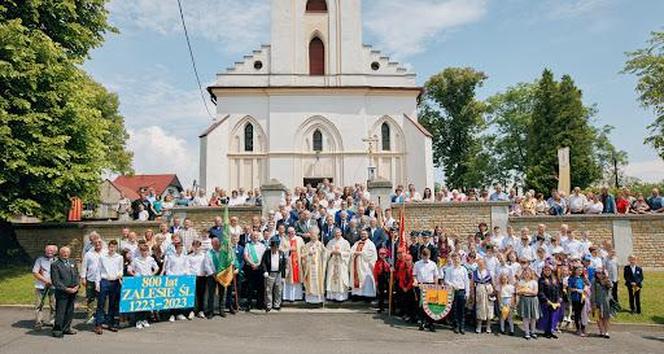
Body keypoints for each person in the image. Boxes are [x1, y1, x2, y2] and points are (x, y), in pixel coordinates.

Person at [128, 241, 159, 329]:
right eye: (143, 251)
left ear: (148, 251)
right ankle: (138, 321)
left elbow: (156, 268)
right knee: (139, 301)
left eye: (146, 251)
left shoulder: (151, 259)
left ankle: (145, 319)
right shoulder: (136, 259)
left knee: (146, 301)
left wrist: (152, 274)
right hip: (138, 282)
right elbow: (130, 269)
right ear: (140, 251)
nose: (144, 252)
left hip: (148, 282)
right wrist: (134, 274)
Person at [94, 240, 123, 334]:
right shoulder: (102, 257)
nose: (112, 249)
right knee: (101, 304)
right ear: (108, 247)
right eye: (111, 247)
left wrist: (120, 274)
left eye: (114, 247)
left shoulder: (119, 257)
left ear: (116, 248)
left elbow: (120, 269)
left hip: (115, 282)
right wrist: (97, 283)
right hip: (104, 281)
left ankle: (111, 323)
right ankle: (98, 325)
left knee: (113, 303)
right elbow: (98, 270)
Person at [50, 246, 80, 338]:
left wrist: (77, 285)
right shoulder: (55, 264)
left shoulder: (72, 262)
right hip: (62, 292)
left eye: (67, 252)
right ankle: (57, 330)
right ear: (60, 253)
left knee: (70, 311)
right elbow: (55, 281)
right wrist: (66, 289)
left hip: (73, 291)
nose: (66, 254)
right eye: (63, 252)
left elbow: (76, 274)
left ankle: (66, 328)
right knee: (61, 311)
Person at [162, 240, 191, 322]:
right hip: (173, 279)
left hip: (182, 279)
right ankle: (172, 314)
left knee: (180, 297)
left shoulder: (185, 257)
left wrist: (185, 275)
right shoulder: (171, 257)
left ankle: (179, 313)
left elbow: (187, 267)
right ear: (176, 248)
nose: (180, 249)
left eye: (182, 248)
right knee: (172, 297)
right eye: (179, 248)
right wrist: (172, 276)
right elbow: (167, 269)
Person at [32, 245, 57, 330]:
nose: (49, 251)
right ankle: (38, 322)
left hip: (54, 286)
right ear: (45, 251)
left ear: (55, 252)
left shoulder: (57, 260)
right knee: (39, 304)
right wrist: (46, 281)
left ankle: (53, 321)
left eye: (51, 250)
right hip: (41, 285)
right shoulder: (40, 260)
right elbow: (35, 272)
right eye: (48, 250)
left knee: (54, 304)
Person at [205, 237, 232, 318]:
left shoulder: (223, 253)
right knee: (211, 294)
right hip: (212, 276)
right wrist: (213, 274)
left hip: (222, 275)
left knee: (222, 293)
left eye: (218, 243)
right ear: (212, 244)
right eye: (215, 243)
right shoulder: (208, 253)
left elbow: (226, 263)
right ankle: (210, 311)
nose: (217, 245)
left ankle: (221, 310)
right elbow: (207, 265)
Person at [413, 248, 438, 332]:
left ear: (429, 256)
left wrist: (435, 285)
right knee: (422, 306)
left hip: (430, 285)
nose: (425, 258)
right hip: (421, 285)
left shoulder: (433, 264)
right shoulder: (417, 264)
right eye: (424, 256)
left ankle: (430, 323)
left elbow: (436, 276)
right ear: (421, 255)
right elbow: (414, 275)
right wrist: (416, 281)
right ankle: (422, 322)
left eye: (426, 256)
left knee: (430, 305)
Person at [444, 253, 469, 334]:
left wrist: (467, 293)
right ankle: (456, 326)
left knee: (461, 310)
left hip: (461, 291)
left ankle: (462, 326)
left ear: (460, 259)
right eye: (454, 259)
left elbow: (466, 281)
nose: (456, 260)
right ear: (452, 260)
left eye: (457, 258)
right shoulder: (449, 269)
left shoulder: (463, 269)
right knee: (454, 309)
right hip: (453, 291)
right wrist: (452, 285)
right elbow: (446, 280)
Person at [349, 230, 378, 299]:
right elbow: (351, 251)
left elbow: (371, 253)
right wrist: (354, 253)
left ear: (367, 235)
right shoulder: (357, 243)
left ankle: (367, 296)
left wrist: (361, 253)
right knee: (356, 279)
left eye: (364, 234)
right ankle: (357, 295)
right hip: (356, 264)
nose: (363, 235)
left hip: (366, 266)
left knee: (366, 280)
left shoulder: (370, 244)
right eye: (362, 234)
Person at [81, 238, 103, 325]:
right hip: (91, 279)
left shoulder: (105, 252)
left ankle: (101, 316)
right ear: (93, 244)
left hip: (102, 279)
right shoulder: (88, 254)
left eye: (99, 242)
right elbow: (84, 266)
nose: (97, 244)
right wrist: (83, 277)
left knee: (102, 298)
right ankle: (90, 316)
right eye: (96, 243)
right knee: (90, 298)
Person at [261, 237, 287, 312]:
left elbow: (283, 265)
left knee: (278, 289)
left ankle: (277, 304)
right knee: (268, 290)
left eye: (276, 248)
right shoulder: (267, 253)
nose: (274, 249)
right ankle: (268, 305)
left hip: (278, 273)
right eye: (273, 248)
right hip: (270, 273)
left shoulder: (281, 253)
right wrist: (265, 271)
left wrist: (283, 276)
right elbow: (263, 263)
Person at [325, 228, 351, 302]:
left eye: (338, 233)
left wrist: (340, 253)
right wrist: (331, 252)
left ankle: (341, 297)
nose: (337, 234)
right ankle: (332, 296)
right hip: (333, 263)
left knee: (341, 279)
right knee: (331, 278)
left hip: (341, 263)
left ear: (341, 233)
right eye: (336, 233)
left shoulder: (345, 242)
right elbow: (326, 252)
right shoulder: (330, 242)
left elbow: (348, 253)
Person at [302, 228, 327, 304]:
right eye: (312, 234)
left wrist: (324, 251)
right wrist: (308, 254)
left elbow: (326, 255)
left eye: (314, 235)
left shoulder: (320, 244)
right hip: (309, 267)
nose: (313, 236)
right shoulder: (307, 245)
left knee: (318, 282)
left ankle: (319, 299)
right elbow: (302, 256)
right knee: (310, 282)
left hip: (318, 267)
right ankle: (310, 299)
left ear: (317, 236)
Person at [243, 231, 267, 311]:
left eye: (256, 236)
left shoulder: (262, 245)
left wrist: (259, 265)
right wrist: (252, 264)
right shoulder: (248, 245)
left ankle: (259, 304)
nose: (255, 237)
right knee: (250, 287)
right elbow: (245, 256)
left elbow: (264, 257)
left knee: (260, 287)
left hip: (260, 269)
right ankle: (249, 304)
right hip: (251, 268)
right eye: (253, 236)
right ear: (251, 237)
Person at [537, 264, 562, 339]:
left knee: (553, 317)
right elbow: (540, 292)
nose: (547, 272)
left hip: (555, 301)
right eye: (546, 270)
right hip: (546, 302)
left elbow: (559, 290)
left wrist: (560, 298)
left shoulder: (555, 279)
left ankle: (551, 331)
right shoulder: (541, 280)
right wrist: (546, 300)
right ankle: (546, 332)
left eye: (549, 270)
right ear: (543, 271)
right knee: (546, 317)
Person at [282, 227, 305, 302]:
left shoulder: (299, 239)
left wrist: (303, 259)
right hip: (288, 264)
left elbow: (303, 250)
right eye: (289, 232)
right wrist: (289, 249)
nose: (291, 233)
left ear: (295, 231)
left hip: (297, 263)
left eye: (292, 231)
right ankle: (288, 297)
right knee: (289, 279)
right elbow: (281, 250)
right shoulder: (284, 239)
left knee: (297, 279)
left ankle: (297, 296)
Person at [517, 268, 540, 340]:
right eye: (525, 273)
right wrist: (526, 291)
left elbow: (535, 292)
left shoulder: (534, 282)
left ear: (531, 274)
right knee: (525, 317)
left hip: (533, 299)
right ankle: (527, 333)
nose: (526, 274)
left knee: (533, 317)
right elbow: (518, 291)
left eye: (528, 273)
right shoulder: (521, 282)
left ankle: (533, 332)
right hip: (524, 299)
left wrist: (526, 290)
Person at [472, 259, 494, 334]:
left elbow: (493, 282)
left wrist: (493, 292)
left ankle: (488, 326)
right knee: (480, 308)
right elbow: (472, 283)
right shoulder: (475, 272)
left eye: (482, 263)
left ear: (484, 264)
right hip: (479, 290)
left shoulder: (489, 272)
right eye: (479, 264)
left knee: (489, 308)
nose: (481, 265)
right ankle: (479, 326)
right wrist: (472, 293)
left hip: (488, 289)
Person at [188, 240, 209, 318]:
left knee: (201, 295)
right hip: (192, 277)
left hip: (202, 277)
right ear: (192, 247)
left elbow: (207, 266)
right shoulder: (189, 256)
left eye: (198, 246)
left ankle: (201, 311)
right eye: (195, 246)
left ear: (200, 247)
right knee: (193, 296)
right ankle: (192, 311)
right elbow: (188, 267)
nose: (196, 248)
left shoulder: (204, 256)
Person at [592, 270, 615, 338]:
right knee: (599, 317)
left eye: (602, 273)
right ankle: (601, 331)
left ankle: (606, 332)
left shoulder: (607, 280)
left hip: (606, 302)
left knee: (606, 317)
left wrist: (606, 280)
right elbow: (593, 292)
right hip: (597, 301)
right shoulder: (594, 281)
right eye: (598, 273)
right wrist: (593, 302)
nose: (600, 275)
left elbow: (611, 286)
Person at [568, 266, 587, 336]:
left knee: (582, 313)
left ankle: (583, 327)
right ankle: (578, 328)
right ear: (575, 271)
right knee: (577, 313)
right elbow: (570, 288)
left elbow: (587, 285)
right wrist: (576, 290)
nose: (580, 272)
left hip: (582, 297)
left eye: (581, 270)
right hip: (575, 297)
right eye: (578, 270)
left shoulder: (583, 278)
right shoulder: (571, 278)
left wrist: (584, 288)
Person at [374, 248, 391, 313]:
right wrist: (376, 281)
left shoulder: (388, 260)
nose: (382, 255)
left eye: (383, 254)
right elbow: (375, 272)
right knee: (381, 293)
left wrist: (385, 261)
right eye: (381, 254)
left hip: (387, 278)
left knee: (389, 292)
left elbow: (390, 268)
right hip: (380, 278)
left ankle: (391, 307)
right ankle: (381, 307)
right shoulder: (377, 262)